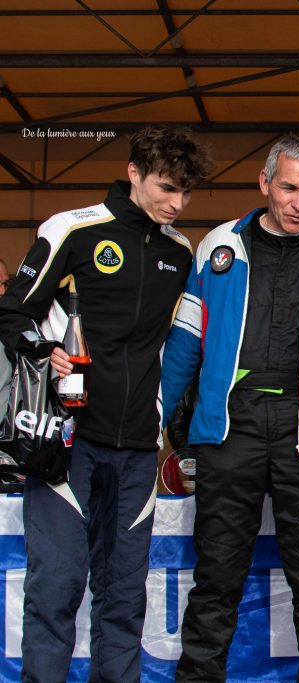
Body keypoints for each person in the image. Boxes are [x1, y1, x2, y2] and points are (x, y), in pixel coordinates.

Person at [0, 125, 212, 682]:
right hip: (67, 443)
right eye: (166, 188)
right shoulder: (73, 228)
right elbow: (11, 313)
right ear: (134, 172)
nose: (176, 203)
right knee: (57, 587)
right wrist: (47, 352)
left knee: (122, 597)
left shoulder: (179, 250)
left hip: (139, 445)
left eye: (186, 193)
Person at [159, 134, 299, 682]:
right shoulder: (216, 247)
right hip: (230, 431)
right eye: (289, 188)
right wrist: (156, 422)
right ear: (264, 184)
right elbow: (184, 345)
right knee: (217, 579)